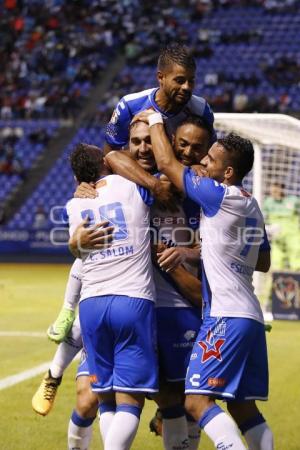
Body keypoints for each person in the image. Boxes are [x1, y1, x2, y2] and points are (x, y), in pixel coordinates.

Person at [135, 109, 274, 450]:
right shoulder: (250, 204)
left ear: (228, 172)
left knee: (195, 402)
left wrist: (155, 120)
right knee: (243, 408)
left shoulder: (218, 194)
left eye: (210, 159)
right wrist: (203, 251)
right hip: (251, 318)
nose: (203, 164)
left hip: (224, 316)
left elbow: (167, 165)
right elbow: (264, 261)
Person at [66, 142, 158, 450]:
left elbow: (76, 249)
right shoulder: (134, 185)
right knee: (131, 400)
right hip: (131, 300)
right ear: (107, 163)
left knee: (105, 397)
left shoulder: (73, 205)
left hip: (91, 304)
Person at [104, 42, 215, 154]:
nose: (187, 87)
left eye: (191, 81)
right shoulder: (128, 105)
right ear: (161, 77)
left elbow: (210, 153)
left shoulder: (202, 109)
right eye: (179, 81)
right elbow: (111, 151)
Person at [263, 182, 300, 271]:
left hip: (293, 237)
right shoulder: (268, 202)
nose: (273, 193)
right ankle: (275, 283)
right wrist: (268, 228)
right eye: (272, 191)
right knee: (276, 263)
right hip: (277, 239)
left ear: (282, 189)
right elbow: (264, 218)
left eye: (276, 190)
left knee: (296, 262)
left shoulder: (294, 201)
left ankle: (297, 282)